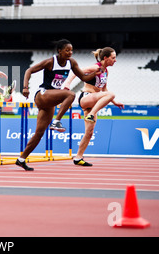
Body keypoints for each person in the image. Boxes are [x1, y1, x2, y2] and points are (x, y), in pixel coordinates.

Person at [16, 39, 98, 171]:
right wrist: (25, 87)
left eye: (71, 50)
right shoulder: (50, 62)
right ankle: (56, 121)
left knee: (39, 133)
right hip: (43, 95)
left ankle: (21, 159)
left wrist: (95, 74)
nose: (70, 52)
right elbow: (29, 71)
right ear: (59, 51)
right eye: (67, 50)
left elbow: (83, 77)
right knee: (70, 94)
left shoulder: (71, 63)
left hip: (51, 101)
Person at [64, 47, 124, 166]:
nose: (115, 60)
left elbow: (104, 90)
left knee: (89, 132)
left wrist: (115, 102)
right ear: (105, 58)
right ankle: (91, 115)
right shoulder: (95, 67)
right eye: (113, 58)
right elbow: (76, 71)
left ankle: (78, 158)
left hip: (93, 102)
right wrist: (67, 83)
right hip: (86, 97)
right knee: (111, 94)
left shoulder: (106, 71)